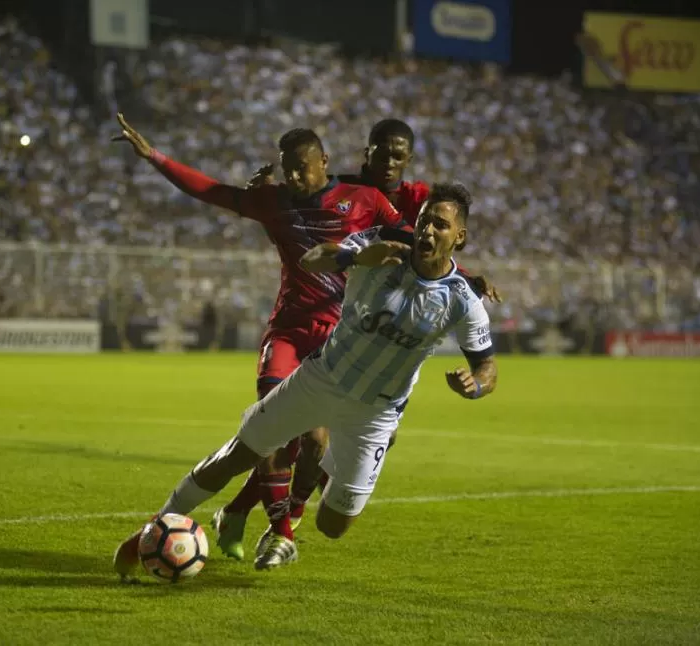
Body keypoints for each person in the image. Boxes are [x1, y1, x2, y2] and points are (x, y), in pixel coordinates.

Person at [113, 182, 497, 575]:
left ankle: (331, 462)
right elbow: (315, 259)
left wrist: (476, 384)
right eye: (423, 221)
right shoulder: (382, 244)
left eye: (440, 225)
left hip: (375, 414)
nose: (428, 231)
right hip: (320, 379)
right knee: (237, 454)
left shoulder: (463, 300)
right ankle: (147, 530)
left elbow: (487, 367)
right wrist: (363, 255)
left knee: (333, 526)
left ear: (459, 237)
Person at [215, 119, 502, 559]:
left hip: (362, 342)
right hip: (316, 324)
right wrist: (269, 190)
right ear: (365, 152)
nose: (388, 161)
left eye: (398, 155)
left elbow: (431, 257)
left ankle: (255, 515)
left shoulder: (414, 198)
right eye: (381, 152)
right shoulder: (342, 189)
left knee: (313, 445)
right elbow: (305, 209)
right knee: (295, 436)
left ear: (408, 159)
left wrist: (468, 278)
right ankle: (269, 524)